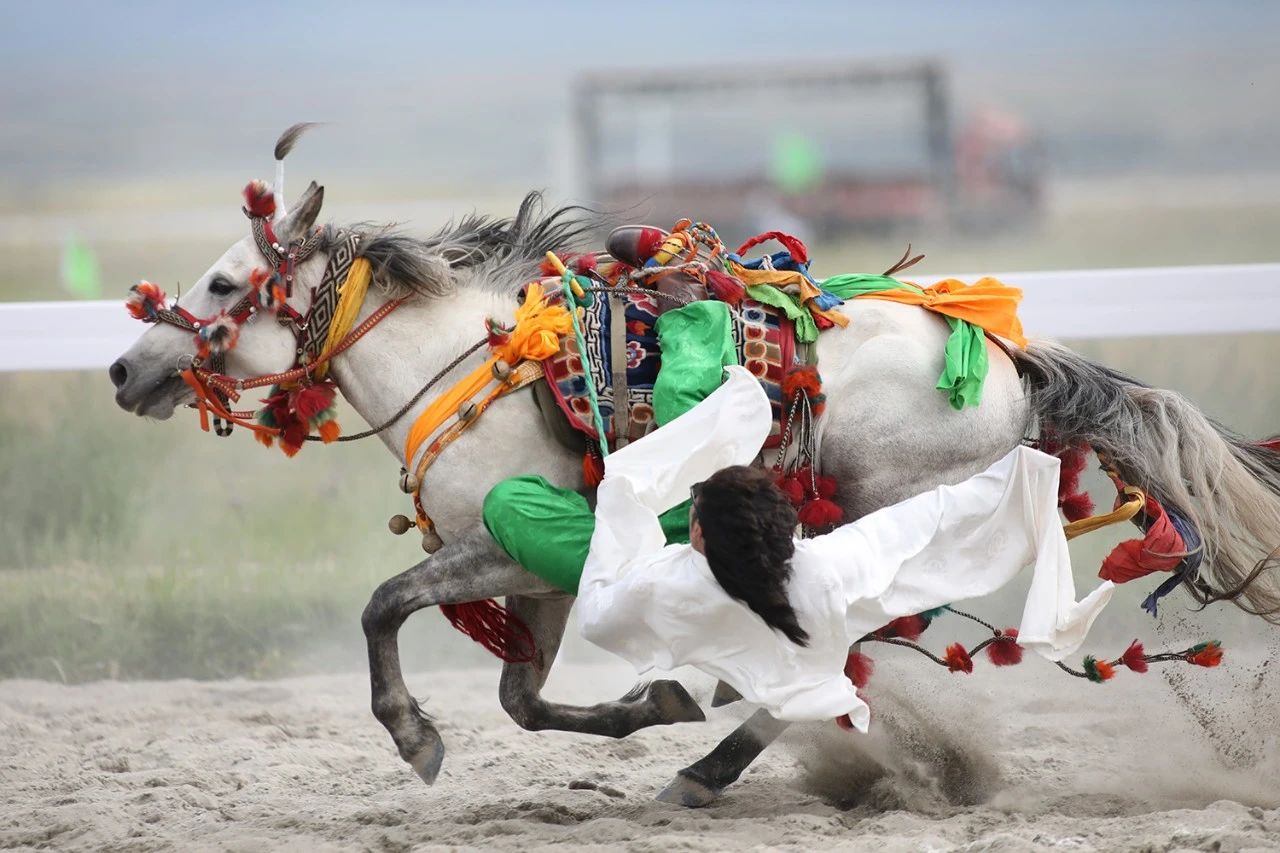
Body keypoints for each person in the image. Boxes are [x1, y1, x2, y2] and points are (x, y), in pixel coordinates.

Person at [575, 365, 1115, 732]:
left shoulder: (661, 586)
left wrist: (622, 494)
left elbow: (598, 612)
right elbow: (930, 519)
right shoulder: (832, 567)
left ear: (698, 536)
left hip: (781, 652)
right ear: (782, 527)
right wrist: (1025, 475)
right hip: (820, 640)